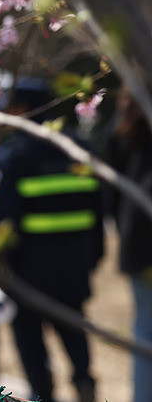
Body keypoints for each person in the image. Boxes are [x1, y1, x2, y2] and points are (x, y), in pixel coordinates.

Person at [0, 78, 102, 402]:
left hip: (27, 271)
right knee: (74, 330)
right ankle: (84, 383)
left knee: (30, 342)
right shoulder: (80, 149)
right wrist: (92, 258)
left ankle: (42, 393)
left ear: (21, 109)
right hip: (75, 265)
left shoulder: (11, 156)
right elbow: (100, 210)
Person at [102, 86, 152, 402]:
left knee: (145, 329)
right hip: (143, 243)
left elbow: (109, 193)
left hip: (137, 243)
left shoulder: (125, 130)